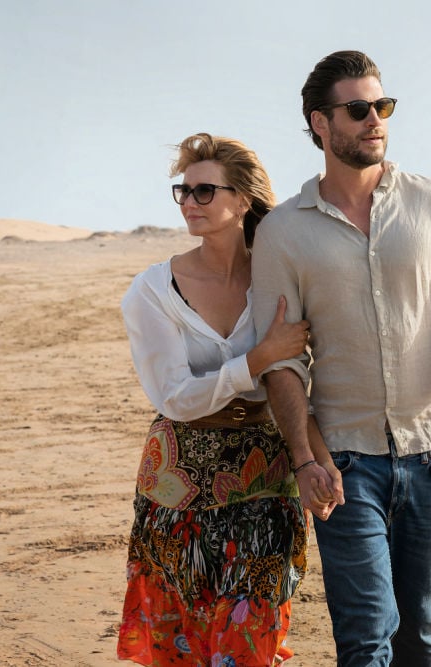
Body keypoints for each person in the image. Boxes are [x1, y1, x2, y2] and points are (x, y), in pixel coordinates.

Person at [251, 51, 431, 666]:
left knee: (422, 632)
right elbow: (283, 362)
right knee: (365, 637)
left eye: (382, 106)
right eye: (358, 109)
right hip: (344, 461)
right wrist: (306, 458)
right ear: (320, 124)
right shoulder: (284, 232)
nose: (375, 120)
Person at [117, 132, 320, 666]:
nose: (189, 202)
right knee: (183, 646)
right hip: (178, 484)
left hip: (265, 476)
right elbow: (176, 397)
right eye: (183, 191)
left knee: (250, 638)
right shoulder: (152, 291)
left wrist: (316, 458)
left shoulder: (277, 279)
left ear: (242, 201)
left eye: (205, 191)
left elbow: (306, 372)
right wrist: (255, 360)